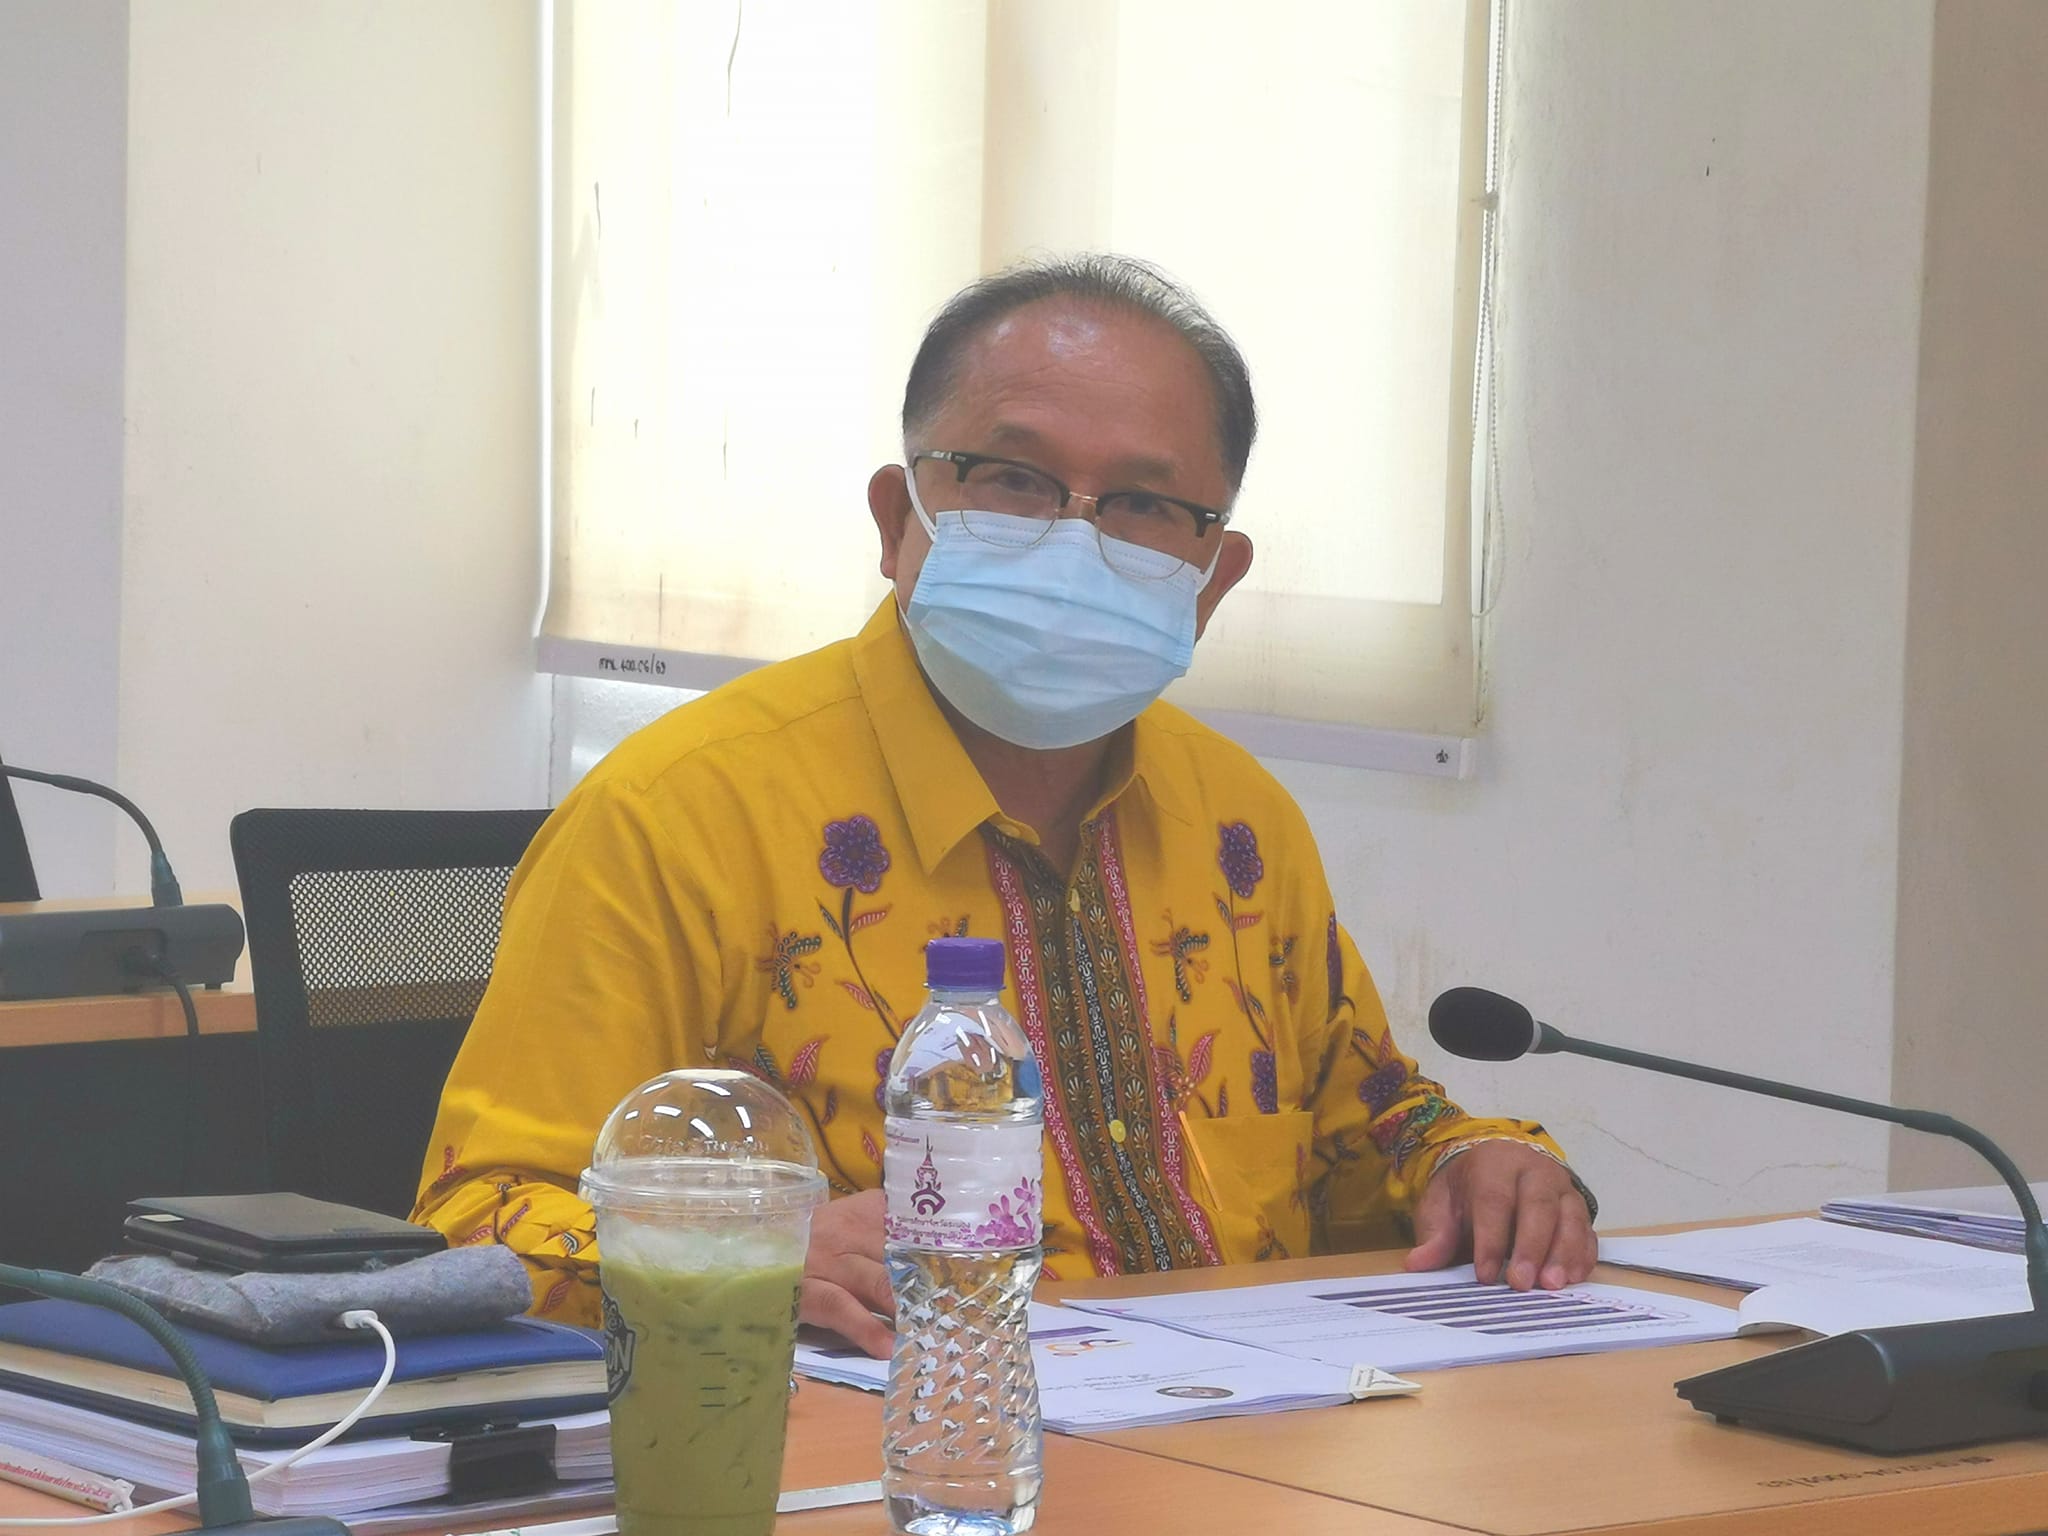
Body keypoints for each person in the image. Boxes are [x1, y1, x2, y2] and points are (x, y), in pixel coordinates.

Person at [416, 254, 1598, 1357]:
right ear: (898, 521)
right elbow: (481, 1221)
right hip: (886, 1448)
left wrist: (1475, 1166)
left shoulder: (1241, 823)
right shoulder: (677, 815)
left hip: (1248, 1432)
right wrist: (742, 1251)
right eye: (1013, 481)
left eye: (1140, 505)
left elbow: (1365, 1133)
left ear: (1211, 579)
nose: (1071, 539)